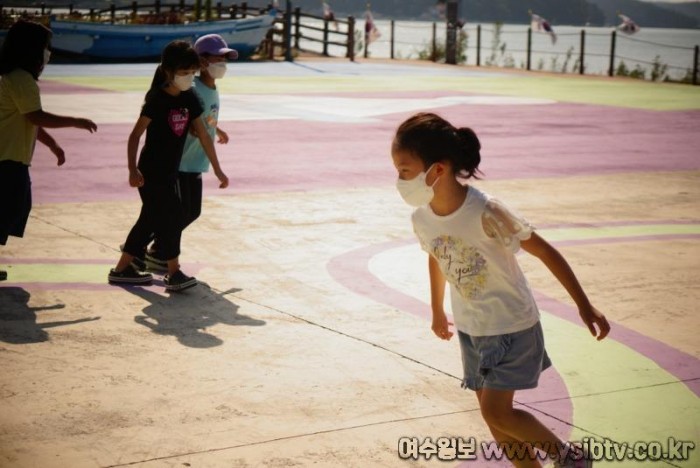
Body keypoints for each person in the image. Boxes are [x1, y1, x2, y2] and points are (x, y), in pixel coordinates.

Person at [391, 112, 610, 468]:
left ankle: (570, 459)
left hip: (512, 327)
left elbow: (544, 250)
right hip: (472, 331)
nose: (399, 181)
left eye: (404, 170)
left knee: (497, 412)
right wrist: (436, 309)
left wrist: (584, 305)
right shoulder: (422, 218)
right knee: (495, 422)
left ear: (438, 169)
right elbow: (436, 256)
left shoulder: (486, 210)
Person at [108, 40, 228, 292]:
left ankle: (122, 269)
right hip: (150, 172)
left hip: (170, 173)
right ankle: (173, 272)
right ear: (167, 71)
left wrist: (217, 168)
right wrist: (132, 169)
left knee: (150, 219)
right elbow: (134, 135)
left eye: (191, 73)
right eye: (183, 73)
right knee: (172, 216)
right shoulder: (157, 99)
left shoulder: (190, 97)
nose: (188, 78)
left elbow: (204, 135)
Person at [0, 19, 98, 282]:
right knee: (9, 210)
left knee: (14, 208)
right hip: (7, 158)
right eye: (46, 46)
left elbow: (27, 119)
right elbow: (36, 117)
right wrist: (76, 122)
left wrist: (53, 144)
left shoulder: (16, 77)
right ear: (32, 48)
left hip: (13, 156)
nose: (48, 52)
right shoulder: (20, 79)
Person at [143, 34, 237, 272]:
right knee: (174, 212)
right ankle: (154, 250)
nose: (223, 64)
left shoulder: (211, 88)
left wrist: (217, 129)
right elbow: (186, 120)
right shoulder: (192, 88)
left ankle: (144, 246)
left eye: (226, 59)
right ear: (202, 61)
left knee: (191, 212)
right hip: (181, 162)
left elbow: (203, 119)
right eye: (219, 58)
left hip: (197, 161)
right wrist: (202, 133)